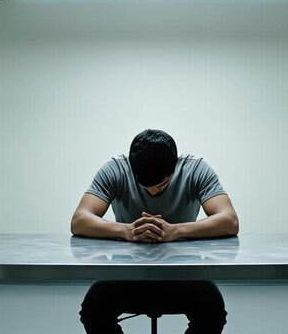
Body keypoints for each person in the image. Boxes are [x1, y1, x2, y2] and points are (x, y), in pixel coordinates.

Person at [71, 129, 239, 334]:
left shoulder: (196, 169)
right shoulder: (116, 168)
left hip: (183, 273)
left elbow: (229, 220)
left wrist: (174, 231)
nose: (152, 192)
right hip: (126, 273)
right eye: (145, 186)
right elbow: (79, 220)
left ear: (176, 163)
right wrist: (128, 230)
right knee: (93, 309)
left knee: (212, 310)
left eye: (162, 185)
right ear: (131, 167)